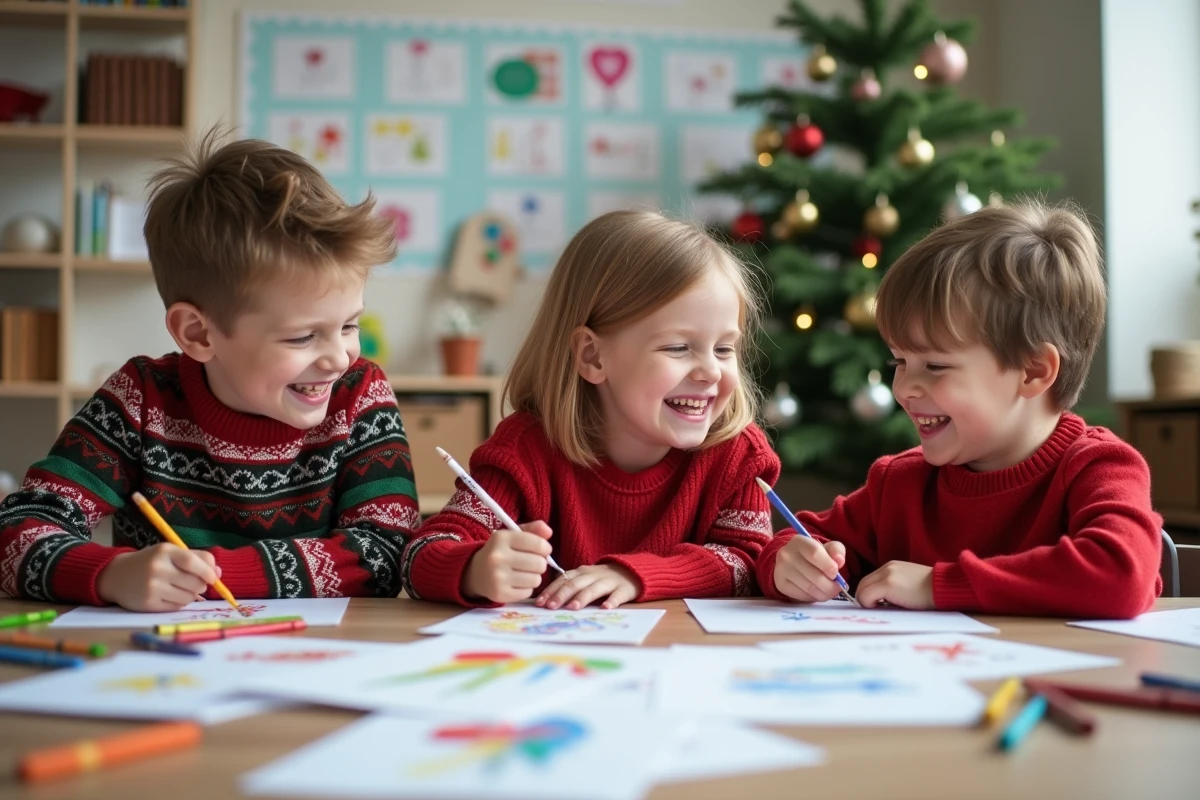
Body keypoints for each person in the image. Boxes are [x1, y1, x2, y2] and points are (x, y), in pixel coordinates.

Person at [0, 130, 419, 609]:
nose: (340, 357)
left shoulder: (359, 393)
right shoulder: (141, 399)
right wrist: (109, 574)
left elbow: (386, 552)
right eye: (303, 336)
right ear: (198, 334)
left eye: (349, 325)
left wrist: (218, 576)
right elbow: (18, 530)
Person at [757, 201, 1162, 618]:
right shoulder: (900, 483)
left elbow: (1122, 577)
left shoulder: (1098, 468)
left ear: (1033, 371)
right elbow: (799, 540)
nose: (905, 388)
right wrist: (789, 562)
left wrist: (938, 585)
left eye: (934, 365)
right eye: (899, 362)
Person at [402, 210, 780, 608]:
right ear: (593, 356)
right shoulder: (524, 451)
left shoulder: (738, 454)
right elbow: (420, 555)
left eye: (724, 349)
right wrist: (475, 568)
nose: (710, 371)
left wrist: (634, 575)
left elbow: (748, 562)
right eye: (678, 347)